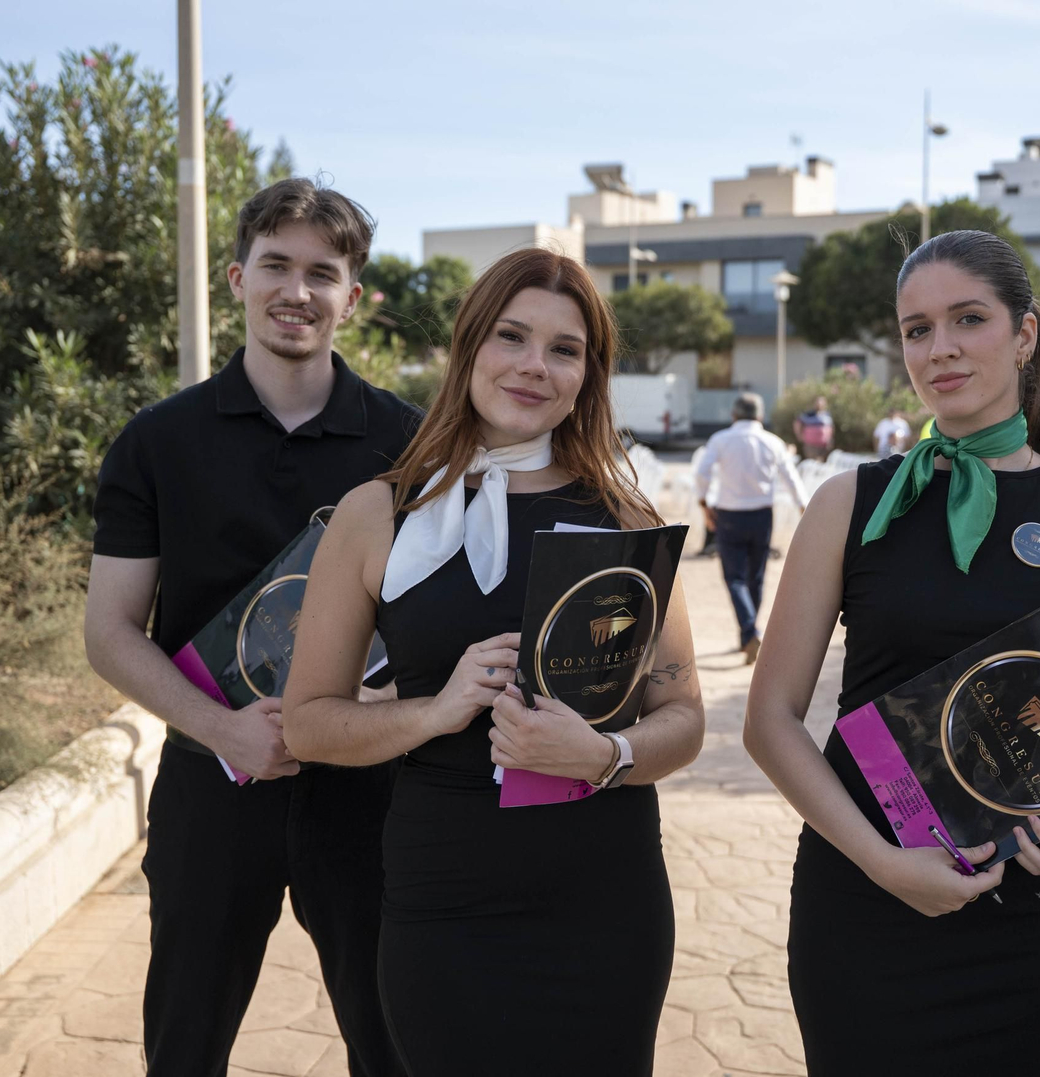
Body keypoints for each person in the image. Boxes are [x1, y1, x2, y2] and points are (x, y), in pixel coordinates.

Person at [743, 230, 1040, 1075]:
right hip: (863, 899)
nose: (939, 348)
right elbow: (769, 719)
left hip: (1034, 914)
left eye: (967, 319)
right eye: (916, 328)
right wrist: (883, 864)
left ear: (1024, 334)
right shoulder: (848, 504)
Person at [281, 248, 705, 1075]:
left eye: (564, 349)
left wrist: (606, 754)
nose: (533, 366)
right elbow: (306, 724)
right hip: (447, 901)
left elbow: (684, 718)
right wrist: (434, 711)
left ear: (589, 373)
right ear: (470, 347)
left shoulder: (625, 518)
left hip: (606, 899)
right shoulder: (378, 515)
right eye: (511, 336)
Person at [84, 179, 415, 1077]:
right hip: (211, 780)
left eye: (323, 272)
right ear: (236, 277)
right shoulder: (158, 441)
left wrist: (351, 714)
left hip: (368, 795)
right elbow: (110, 630)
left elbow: (433, 622)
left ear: (355, 296)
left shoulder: (412, 445)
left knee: (395, 1045)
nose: (296, 291)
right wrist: (227, 728)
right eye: (276, 265)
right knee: (185, 1046)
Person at [693, 393, 809, 664]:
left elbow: (702, 473)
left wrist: (704, 504)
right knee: (756, 576)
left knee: (734, 577)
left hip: (729, 515)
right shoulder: (773, 442)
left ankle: (748, 632)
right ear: (759, 416)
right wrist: (803, 506)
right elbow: (791, 476)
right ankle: (748, 635)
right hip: (762, 515)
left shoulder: (721, 439)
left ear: (733, 415)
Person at [793, 394, 835, 461]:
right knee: (812, 463)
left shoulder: (827, 415)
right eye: (818, 402)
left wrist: (830, 439)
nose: (819, 404)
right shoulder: (808, 414)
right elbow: (797, 424)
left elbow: (831, 428)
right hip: (811, 445)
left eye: (821, 402)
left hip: (824, 445)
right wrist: (799, 436)